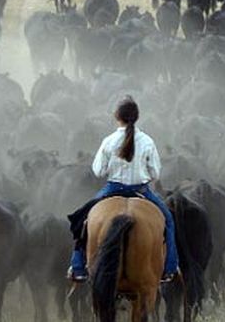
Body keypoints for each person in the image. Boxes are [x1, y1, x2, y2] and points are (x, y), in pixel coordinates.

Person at [67, 97, 180, 283]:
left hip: (112, 189)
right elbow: (155, 172)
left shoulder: (109, 141)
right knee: (168, 220)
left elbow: (98, 171)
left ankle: (78, 267)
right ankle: (169, 268)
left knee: (83, 220)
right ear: (136, 117)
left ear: (116, 117)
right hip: (141, 191)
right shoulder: (147, 141)